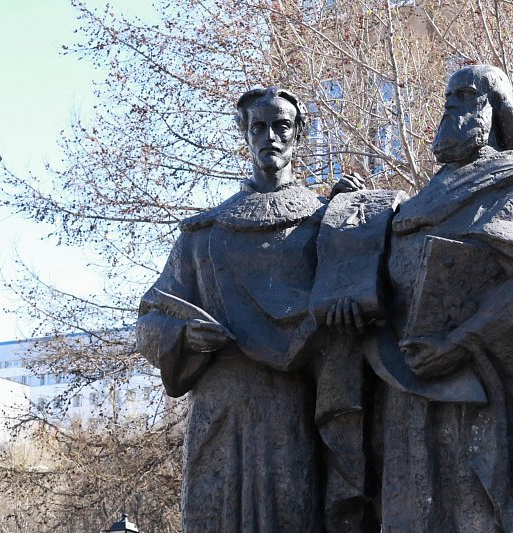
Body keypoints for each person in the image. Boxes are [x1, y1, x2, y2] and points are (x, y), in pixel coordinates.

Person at [347, 65, 513, 531]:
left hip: (480, 395)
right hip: (405, 392)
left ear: (495, 111)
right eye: (448, 95)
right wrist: (354, 213)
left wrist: (461, 342)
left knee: (472, 513)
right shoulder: (414, 206)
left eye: (464, 95)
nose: (449, 105)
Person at [136, 87, 363, 532]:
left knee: (292, 510)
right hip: (219, 405)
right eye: (259, 127)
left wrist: (350, 215)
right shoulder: (203, 234)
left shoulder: (323, 222)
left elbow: (355, 297)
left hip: (292, 400)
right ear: (244, 133)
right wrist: (184, 335)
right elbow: (149, 321)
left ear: (299, 134)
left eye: (281, 126)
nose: (270, 137)